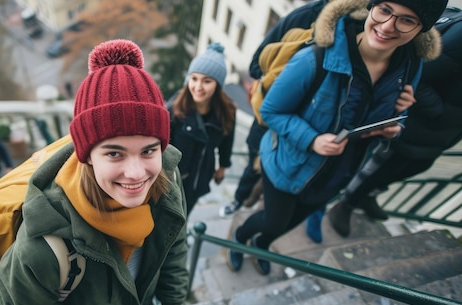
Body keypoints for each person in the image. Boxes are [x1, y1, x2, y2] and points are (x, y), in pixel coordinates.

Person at [227, 0, 445, 275]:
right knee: (272, 221)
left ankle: (260, 244)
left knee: (289, 224)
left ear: (420, 29)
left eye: (406, 20)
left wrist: (394, 126)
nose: (388, 26)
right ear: (371, 7)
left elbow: (389, 116)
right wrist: (312, 140)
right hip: (290, 166)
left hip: (338, 174)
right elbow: (271, 111)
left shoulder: (410, 66)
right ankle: (240, 239)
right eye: (385, 10)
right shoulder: (317, 58)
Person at [0, 39, 189, 305]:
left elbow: (175, 240)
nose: (137, 174)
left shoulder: (166, 176)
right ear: (87, 155)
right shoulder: (43, 245)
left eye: (148, 150)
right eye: (115, 153)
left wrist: (172, 303)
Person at [328, 6, 462, 237]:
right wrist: (438, 111)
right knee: (382, 165)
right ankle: (345, 203)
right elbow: (420, 76)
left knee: (410, 168)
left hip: (443, 133)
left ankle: (366, 196)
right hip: (420, 124)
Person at [219, 0, 330, 220]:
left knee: (275, 173)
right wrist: (281, 82)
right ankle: (240, 200)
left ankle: (253, 202)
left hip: (302, 131)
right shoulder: (306, 16)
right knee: (254, 164)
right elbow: (256, 65)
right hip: (271, 118)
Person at [168, 42, 236, 216]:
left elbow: (227, 140)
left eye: (207, 81)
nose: (198, 87)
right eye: (194, 79)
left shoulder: (227, 112)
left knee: (185, 214)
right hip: (171, 179)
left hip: (200, 176)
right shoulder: (174, 108)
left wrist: (223, 166)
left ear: (218, 85)